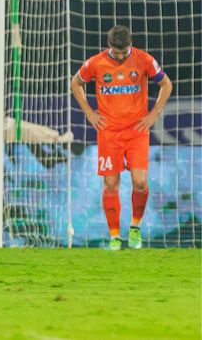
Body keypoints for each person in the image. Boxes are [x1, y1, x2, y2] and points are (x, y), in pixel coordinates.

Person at [71, 25, 172, 251]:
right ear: (109, 46)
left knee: (140, 182)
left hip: (137, 131)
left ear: (130, 45)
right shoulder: (96, 63)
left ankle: (135, 227)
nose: (120, 56)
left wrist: (154, 114)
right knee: (111, 184)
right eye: (116, 53)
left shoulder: (144, 60)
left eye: (124, 52)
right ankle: (115, 237)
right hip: (109, 132)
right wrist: (89, 112)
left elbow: (166, 84)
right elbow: (75, 83)